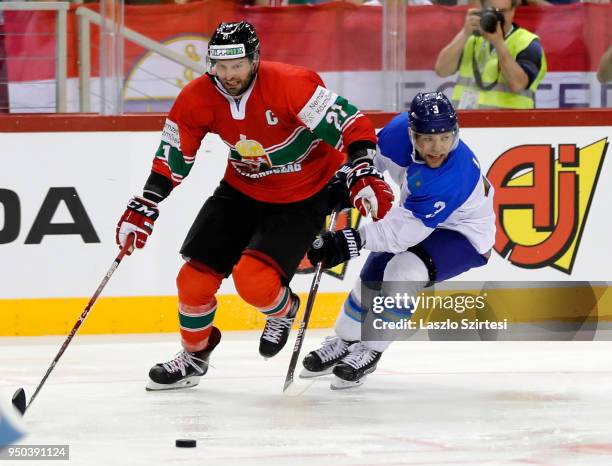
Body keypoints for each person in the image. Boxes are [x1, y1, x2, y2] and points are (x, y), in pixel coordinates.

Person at [115, 21, 394, 391]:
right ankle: (195, 356)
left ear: (254, 60)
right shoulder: (197, 97)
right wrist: (146, 202)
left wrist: (360, 170)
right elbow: (172, 156)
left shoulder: (290, 85)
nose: (228, 75)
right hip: (240, 190)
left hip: (303, 195)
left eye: (237, 65)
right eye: (220, 66)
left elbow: (352, 125)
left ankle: (283, 311)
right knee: (192, 281)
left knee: (254, 283)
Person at [301, 92, 495, 389]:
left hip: (464, 233)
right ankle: (344, 339)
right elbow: (370, 160)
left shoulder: (451, 175)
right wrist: (347, 177)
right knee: (373, 275)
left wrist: (348, 241)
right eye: (427, 139)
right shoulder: (395, 134)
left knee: (404, 270)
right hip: (417, 216)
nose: (437, 148)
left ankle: (372, 348)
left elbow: (401, 235)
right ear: (411, 133)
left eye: (445, 138)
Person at [434, 0, 547, 109]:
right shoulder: (471, 38)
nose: (498, 17)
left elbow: (517, 85)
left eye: (502, 11)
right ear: (482, 9)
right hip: (467, 122)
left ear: (513, 11)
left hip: (509, 124)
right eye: (493, 11)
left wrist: (498, 43)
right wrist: (464, 33)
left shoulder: (528, 42)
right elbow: (442, 70)